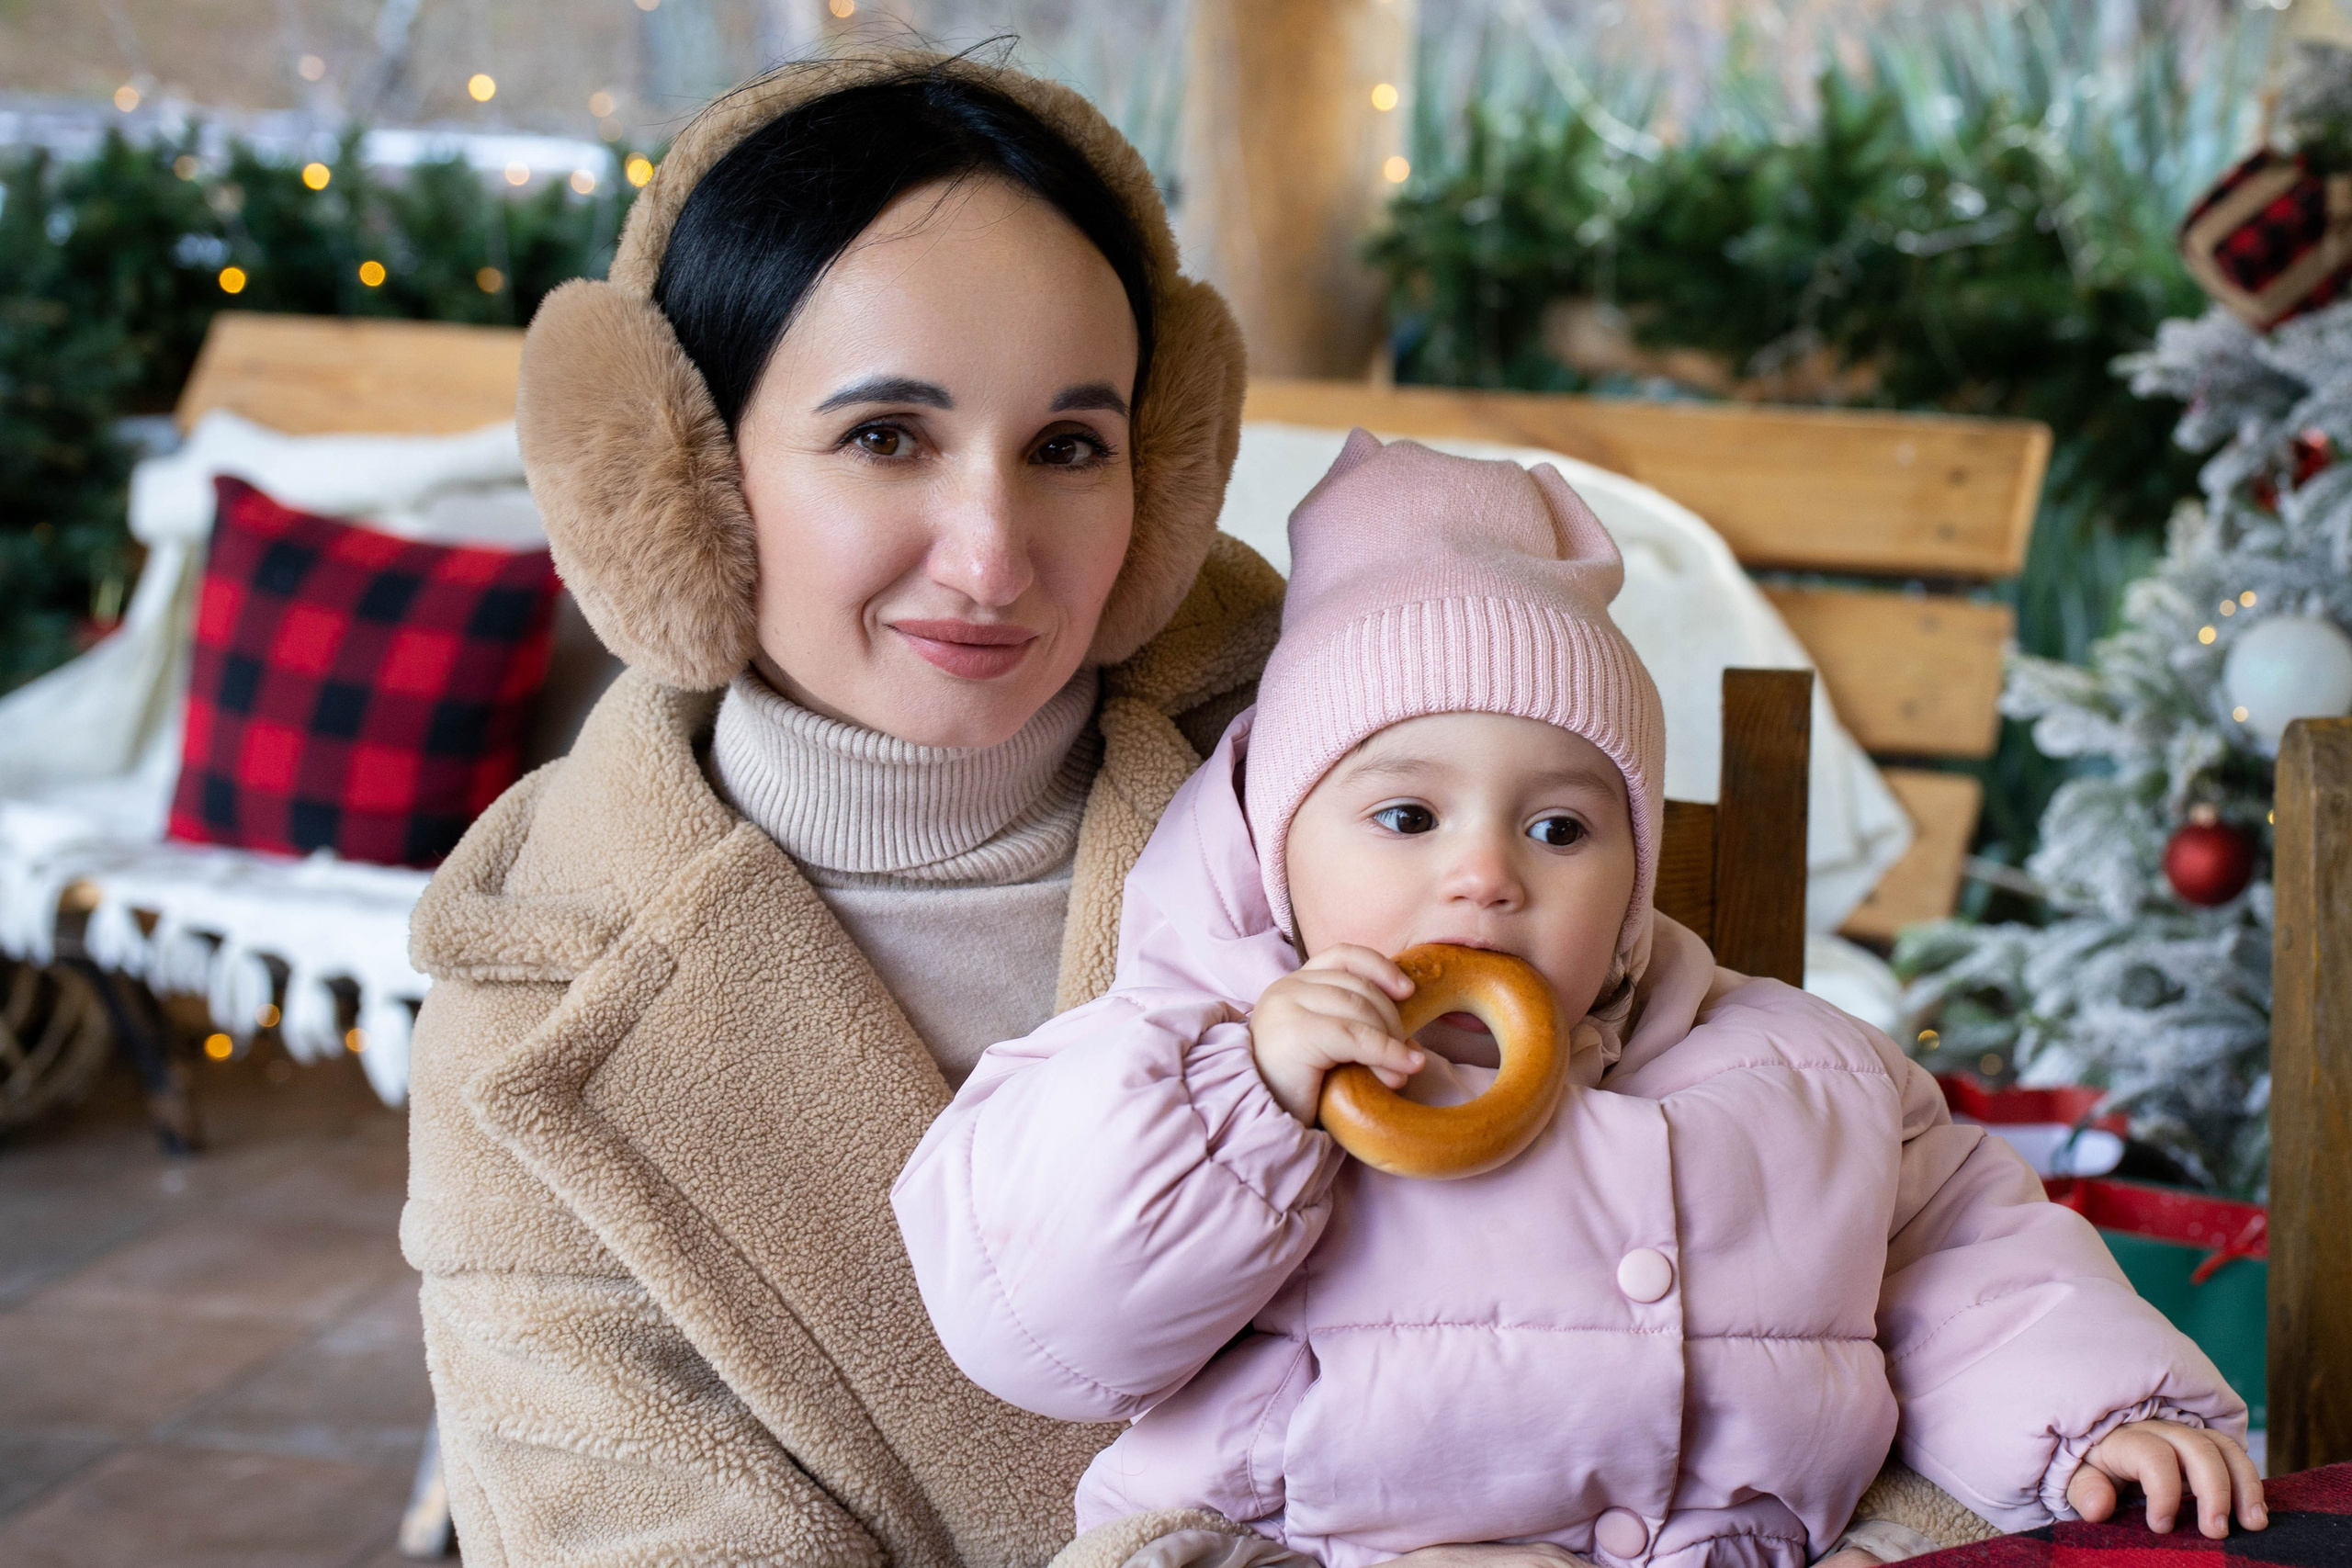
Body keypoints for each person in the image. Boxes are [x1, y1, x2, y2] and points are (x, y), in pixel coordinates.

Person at [893, 433, 2266, 1568]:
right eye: (1407, 816)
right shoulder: (1182, 1061)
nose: (1486, 875)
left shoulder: (1804, 1072)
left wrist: (2100, 1416)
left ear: (1634, 878)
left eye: (1560, 829)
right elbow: (1038, 1320)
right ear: (1276, 848)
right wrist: (1250, 1093)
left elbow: (1971, 1254)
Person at [401, 51, 1281, 1566]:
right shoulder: (526, 1007)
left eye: (1070, 447)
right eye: (886, 437)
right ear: (680, 482)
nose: (992, 558)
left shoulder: (1360, 797)